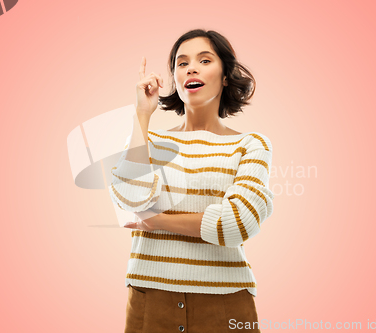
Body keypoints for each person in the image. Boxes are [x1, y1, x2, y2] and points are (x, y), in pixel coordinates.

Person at [108, 29, 274, 333]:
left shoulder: (251, 145)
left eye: (204, 60)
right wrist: (142, 116)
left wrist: (154, 221)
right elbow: (130, 200)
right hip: (150, 298)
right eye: (181, 63)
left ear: (225, 76)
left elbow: (235, 224)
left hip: (225, 303)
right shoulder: (149, 141)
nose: (191, 68)